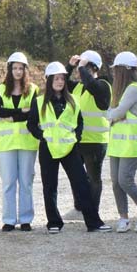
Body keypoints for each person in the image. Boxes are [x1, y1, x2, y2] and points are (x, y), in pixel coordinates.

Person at [27, 62, 104, 233]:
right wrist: (43, 136)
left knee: (82, 184)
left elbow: (79, 122)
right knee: (50, 186)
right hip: (48, 149)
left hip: (70, 149)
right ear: (48, 80)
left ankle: (94, 223)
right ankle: (54, 222)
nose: (60, 82)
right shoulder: (39, 102)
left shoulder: (73, 100)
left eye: (62, 78)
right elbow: (31, 124)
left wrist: (76, 138)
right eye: (56, 78)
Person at [64, 50, 113, 232]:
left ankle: (93, 212)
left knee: (94, 178)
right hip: (78, 140)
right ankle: (80, 206)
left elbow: (92, 85)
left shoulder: (103, 85)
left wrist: (82, 66)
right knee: (77, 177)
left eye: (83, 68)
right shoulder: (77, 87)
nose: (79, 72)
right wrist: (70, 65)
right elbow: (61, 83)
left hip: (96, 141)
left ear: (93, 67)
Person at [106, 52, 137, 232]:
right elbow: (113, 112)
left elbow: (115, 113)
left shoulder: (133, 89)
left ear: (123, 71)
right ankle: (123, 218)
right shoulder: (119, 91)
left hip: (132, 145)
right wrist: (114, 114)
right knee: (116, 182)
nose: (113, 74)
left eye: (116, 70)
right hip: (118, 145)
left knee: (125, 180)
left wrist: (114, 114)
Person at [0, 52, 40, 232]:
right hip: (6, 144)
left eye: (21, 68)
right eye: (15, 68)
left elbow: (33, 113)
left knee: (26, 182)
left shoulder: (34, 89)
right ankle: (9, 220)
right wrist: (22, 111)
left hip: (27, 142)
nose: (18, 71)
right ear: (10, 70)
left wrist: (12, 114)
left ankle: (26, 219)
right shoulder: (0, 89)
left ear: (25, 70)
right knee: (8, 182)